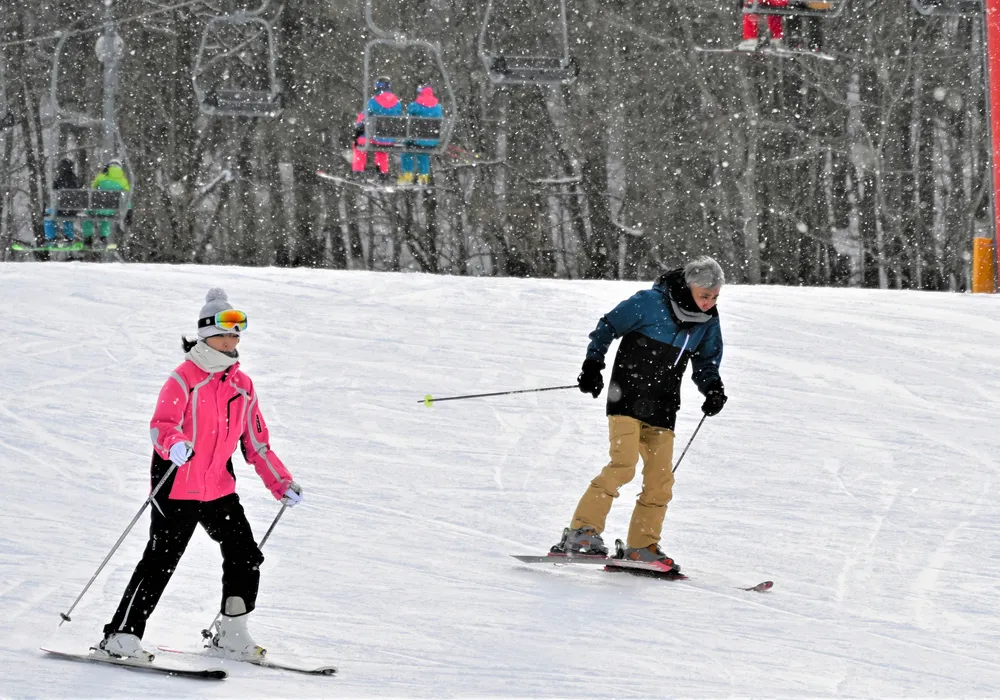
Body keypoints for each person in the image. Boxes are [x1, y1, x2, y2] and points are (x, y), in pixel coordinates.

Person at [96, 288, 303, 662]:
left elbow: (256, 444)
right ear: (206, 333)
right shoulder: (185, 378)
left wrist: (281, 483)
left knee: (245, 555)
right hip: (177, 483)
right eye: (226, 332)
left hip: (218, 489)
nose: (233, 339)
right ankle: (121, 635)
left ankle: (231, 632)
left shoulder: (242, 385)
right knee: (162, 559)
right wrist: (173, 444)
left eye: (238, 333)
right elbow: (162, 424)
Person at [552, 257, 727, 568]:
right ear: (688, 287)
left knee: (661, 481)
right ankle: (581, 532)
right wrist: (593, 364)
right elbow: (608, 325)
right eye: (704, 295)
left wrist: (713, 388)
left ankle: (641, 546)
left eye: (714, 297)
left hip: (664, 407)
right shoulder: (649, 303)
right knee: (623, 465)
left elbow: (705, 363)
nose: (709, 303)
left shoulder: (707, 322)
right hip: (627, 399)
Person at [351, 77, 402, 180]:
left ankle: (358, 171)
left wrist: (358, 127)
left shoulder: (373, 102)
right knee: (382, 149)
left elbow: (362, 118)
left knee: (359, 143)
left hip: (375, 137)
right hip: (390, 139)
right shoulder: (397, 103)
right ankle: (382, 173)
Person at [398, 85, 442, 187]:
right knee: (423, 154)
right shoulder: (438, 107)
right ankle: (423, 178)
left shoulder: (415, 105)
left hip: (416, 139)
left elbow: (408, 117)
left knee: (407, 153)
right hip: (431, 139)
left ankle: (407, 176)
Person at [85, 159, 131, 246]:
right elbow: (126, 198)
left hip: (97, 208)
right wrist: (129, 210)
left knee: (87, 216)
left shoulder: (100, 177)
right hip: (111, 209)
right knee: (107, 217)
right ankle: (103, 237)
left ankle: (88, 238)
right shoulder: (124, 181)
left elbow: (93, 190)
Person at [43, 159, 82, 244]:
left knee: (48, 216)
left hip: (61, 209)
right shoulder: (76, 179)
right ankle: (69, 237)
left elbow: (54, 190)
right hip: (73, 211)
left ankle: (51, 238)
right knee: (68, 218)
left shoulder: (59, 179)